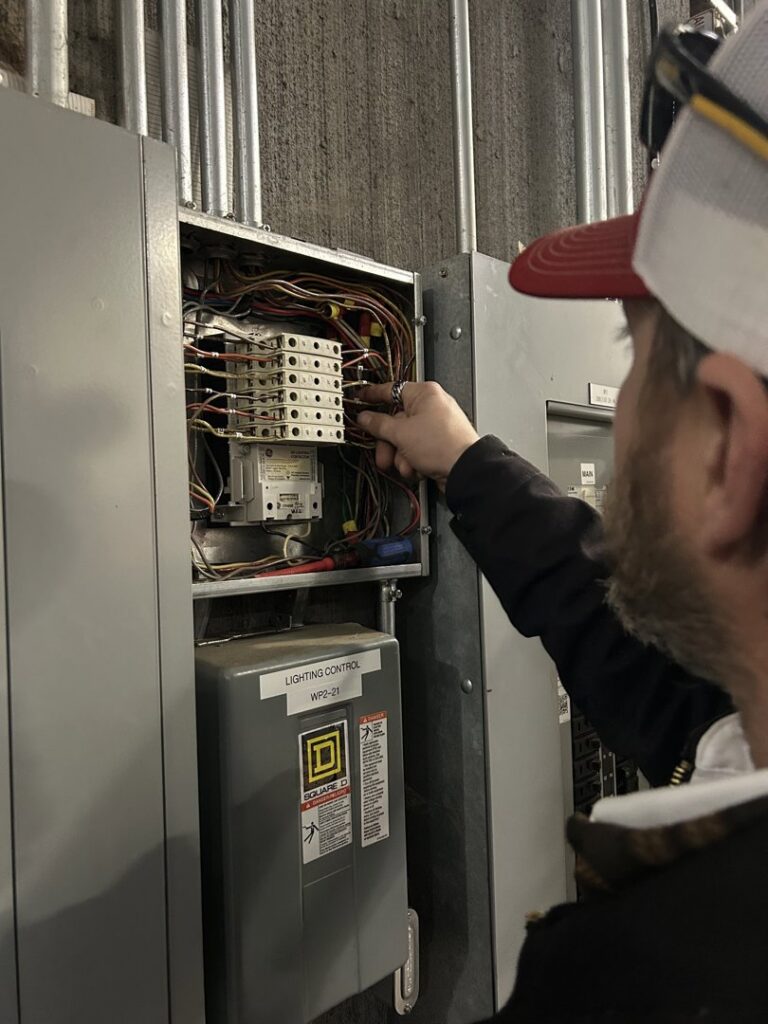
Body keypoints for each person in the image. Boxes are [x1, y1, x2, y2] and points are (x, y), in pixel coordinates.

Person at [359, 8, 768, 1022]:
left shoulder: (641, 983)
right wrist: (465, 463)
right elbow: (636, 658)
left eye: (635, 358)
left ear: (725, 444)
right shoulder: (734, 736)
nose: (620, 409)